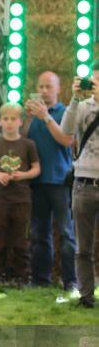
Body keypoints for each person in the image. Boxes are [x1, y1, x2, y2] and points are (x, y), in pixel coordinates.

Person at [24, 71, 77, 291]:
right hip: (38, 183)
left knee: (66, 233)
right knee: (39, 234)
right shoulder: (32, 117)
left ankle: (70, 282)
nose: (44, 91)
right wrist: (27, 118)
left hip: (61, 182)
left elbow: (67, 140)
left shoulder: (65, 112)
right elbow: (22, 143)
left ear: (58, 89)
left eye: (48, 87)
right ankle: (40, 280)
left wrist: (46, 117)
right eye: (41, 86)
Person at [0, 103, 40, 286]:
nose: (9, 122)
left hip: (22, 199)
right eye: (5, 119)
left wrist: (22, 175)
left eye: (13, 119)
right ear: (0, 121)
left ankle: (22, 278)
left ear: (20, 122)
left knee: (21, 240)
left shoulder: (28, 144)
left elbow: (36, 168)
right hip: (0, 199)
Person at [61, 62, 99, 308]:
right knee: (83, 246)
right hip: (84, 182)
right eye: (94, 80)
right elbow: (66, 131)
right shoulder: (83, 106)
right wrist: (75, 99)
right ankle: (86, 295)